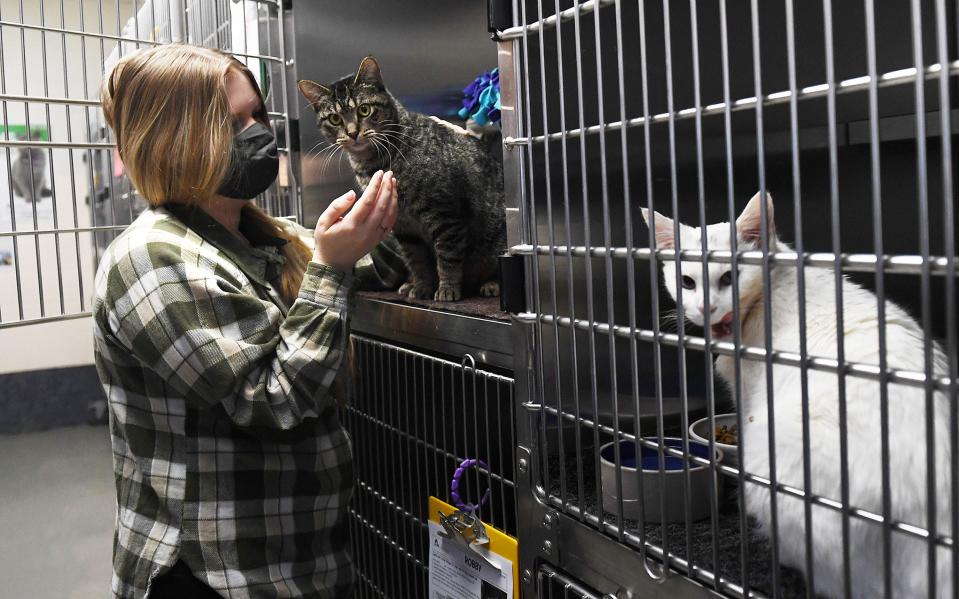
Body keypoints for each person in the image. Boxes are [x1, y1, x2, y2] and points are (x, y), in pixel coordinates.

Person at [94, 44, 406, 598]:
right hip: (215, 575)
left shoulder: (265, 234)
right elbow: (274, 400)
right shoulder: (150, 258)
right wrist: (331, 266)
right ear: (175, 138)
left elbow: (380, 262)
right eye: (232, 122)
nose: (258, 132)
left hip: (298, 562)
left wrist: (401, 197)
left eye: (257, 114)